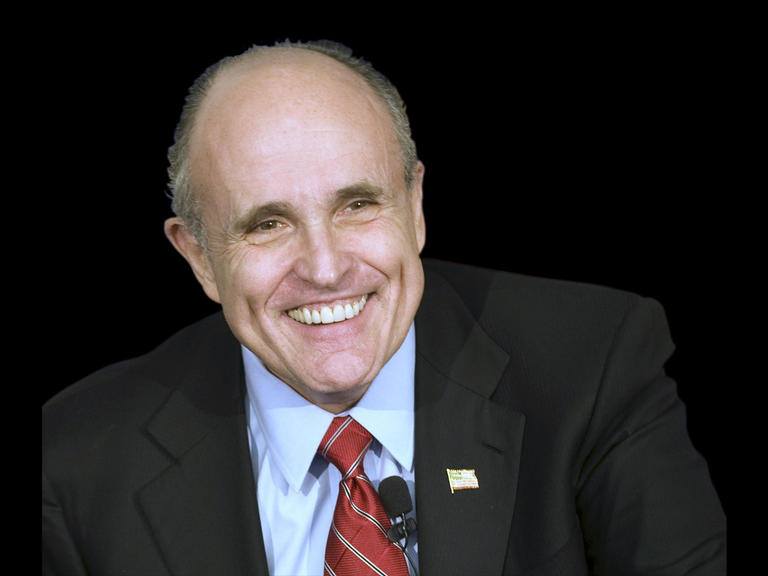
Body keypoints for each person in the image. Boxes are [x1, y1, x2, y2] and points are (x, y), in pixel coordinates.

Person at [42, 40, 726, 575]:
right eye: (268, 225)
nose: (326, 268)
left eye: (357, 205)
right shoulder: (77, 460)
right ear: (197, 256)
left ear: (416, 206)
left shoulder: (591, 368)